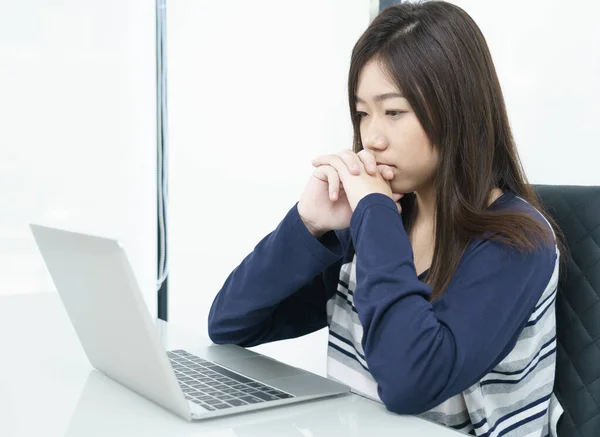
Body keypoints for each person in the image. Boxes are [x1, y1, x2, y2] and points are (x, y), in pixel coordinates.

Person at [207, 1, 567, 436]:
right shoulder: (375, 222)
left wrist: (374, 216)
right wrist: (309, 225)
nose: (371, 138)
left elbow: (409, 383)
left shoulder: (517, 241)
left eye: (393, 112)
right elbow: (230, 323)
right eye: (362, 113)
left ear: (458, 109)